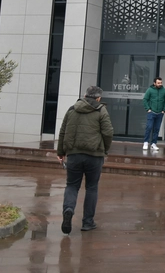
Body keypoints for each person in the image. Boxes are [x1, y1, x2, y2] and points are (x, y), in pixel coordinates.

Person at [57, 85, 114, 234]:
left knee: (72, 186)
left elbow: (63, 131)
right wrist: (104, 149)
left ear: (85, 96)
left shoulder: (72, 109)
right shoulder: (101, 110)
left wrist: (61, 152)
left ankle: (68, 209)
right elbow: (108, 133)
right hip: (94, 155)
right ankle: (88, 222)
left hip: (74, 154)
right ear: (98, 98)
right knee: (92, 187)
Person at [142, 76, 165, 151]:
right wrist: (148, 109)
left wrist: (164, 110)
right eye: (158, 83)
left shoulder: (164, 91)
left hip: (160, 113)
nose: (160, 84)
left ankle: (153, 143)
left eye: (161, 83)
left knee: (157, 129)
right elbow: (145, 99)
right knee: (149, 127)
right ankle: (146, 142)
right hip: (151, 112)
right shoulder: (150, 90)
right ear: (154, 83)